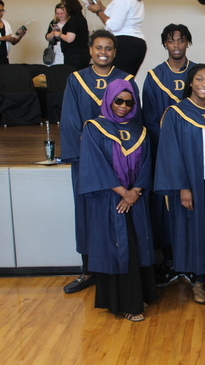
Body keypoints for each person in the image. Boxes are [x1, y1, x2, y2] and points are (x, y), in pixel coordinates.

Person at [61, 29, 140, 294]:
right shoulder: (76, 80)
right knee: (86, 212)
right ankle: (88, 270)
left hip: (121, 160)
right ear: (90, 50)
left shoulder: (126, 80)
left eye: (108, 48)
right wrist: (85, 160)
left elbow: (134, 120)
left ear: (114, 52)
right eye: (98, 48)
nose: (103, 53)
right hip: (88, 161)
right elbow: (71, 121)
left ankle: (120, 266)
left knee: (120, 209)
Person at [154, 64, 205, 310]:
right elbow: (171, 152)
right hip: (191, 184)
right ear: (190, 82)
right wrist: (183, 187)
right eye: (199, 79)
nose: (204, 84)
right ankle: (199, 280)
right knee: (195, 231)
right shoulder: (176, 113)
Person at [79, 79, 157, 321]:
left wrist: (135, 192)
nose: (123, 106)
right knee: (118, 250)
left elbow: (148, 165)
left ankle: (139, 296)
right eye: (118, 101)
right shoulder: (94, 128)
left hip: (136, 200)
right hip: (108, 200)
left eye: (129, 102)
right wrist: (124, 193)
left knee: (136, 247)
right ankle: (125, 303)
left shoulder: (140, 131)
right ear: (108, 100)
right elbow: (95, 165)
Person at [142, 23, 195, 288]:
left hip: (195, 154)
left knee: (193, 204)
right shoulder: (154, 77)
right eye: (171, 41)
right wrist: (170, 143)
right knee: (166, 207)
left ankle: (193, 262)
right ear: (164, 44)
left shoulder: (198, 74)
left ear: (188, 43)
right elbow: (149, 119)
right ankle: (170, 261)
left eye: (181, 40)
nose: (176, 45)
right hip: (164, 152)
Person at [87, 0, 146, 76]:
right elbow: (113, 16)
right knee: (128, 80)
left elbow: (113, 25)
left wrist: (98, 11)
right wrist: (99, 7)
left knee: (117, 80)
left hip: (124, 42)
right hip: (138, 43)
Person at [56, 0, 90, 70]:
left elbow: (69, 38)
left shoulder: (74, 20)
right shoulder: (81, 18)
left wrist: (59, 34)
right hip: (82, 54)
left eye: (64, 7)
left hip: (74, 56)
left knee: (73, 76)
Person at [0, 0, 27, 64]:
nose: (1, 13)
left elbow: (13, 42)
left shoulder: (6, 23)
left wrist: (20, 36)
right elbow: (6, 38)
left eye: (2, 11)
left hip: (4, 58)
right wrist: (4, 38)